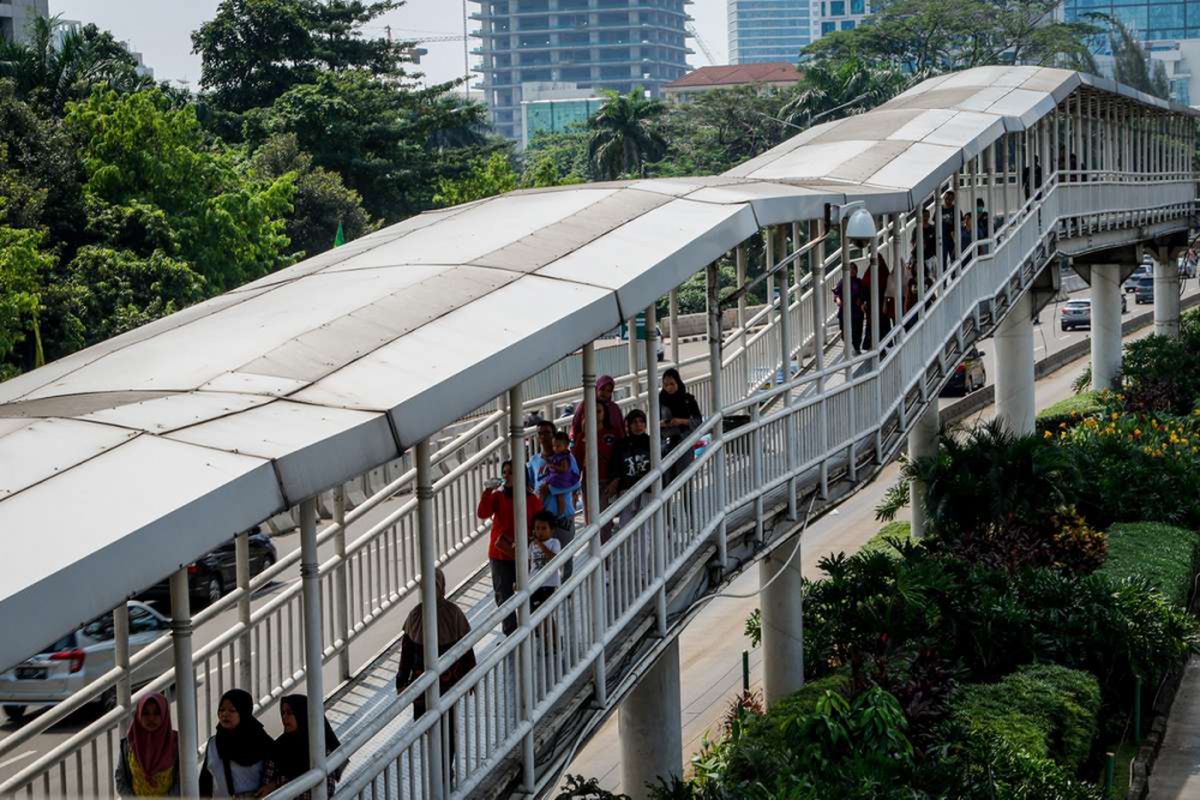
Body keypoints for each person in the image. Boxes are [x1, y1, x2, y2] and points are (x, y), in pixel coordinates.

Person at [395, 567, 476, 782]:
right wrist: (401, 682)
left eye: (435, 586)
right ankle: (438, 767)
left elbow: (466, 646)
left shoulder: (453, 613)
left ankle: (444, 769)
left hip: (446, 685)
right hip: (421, 685)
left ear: (442, 588)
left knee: (446, 729)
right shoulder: (416, 615)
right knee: (426, 727)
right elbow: (407, 651)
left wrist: (471, 674)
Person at [477, 460, 542, 634]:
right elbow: (482, 513)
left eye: (511, 472)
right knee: (504, 596)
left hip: (524, 553)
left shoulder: (532, 499)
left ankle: (533, 627)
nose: (507, 475)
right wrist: (488, 490)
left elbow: (540, 525)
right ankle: (510, 632)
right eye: (504, 472)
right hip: (500, 554)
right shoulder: (498, 496)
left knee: (529, 592)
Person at [259, 695, 341, 800]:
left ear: (303, 715)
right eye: (283, 713)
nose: (284, 717)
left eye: (290, 713)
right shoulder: (279, 747)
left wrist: (277, 783)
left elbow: (326, 790)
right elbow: (266, 785)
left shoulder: (319, 748)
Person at [570, 375, 624, 530]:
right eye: (602, 389)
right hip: (589, 475)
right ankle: (596, 549)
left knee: (606, 514)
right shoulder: (584, 407)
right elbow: (575, 430)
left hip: (608, 474)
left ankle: (604, 549)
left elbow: (620, 439)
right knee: (591, 516)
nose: (605, 393)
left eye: (609, 390)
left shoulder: (613, 411)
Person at [528, 423, 580, 582]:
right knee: (542, 559)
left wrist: (551, 489)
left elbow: (576, 482)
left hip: (563, 516)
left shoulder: (566, 457)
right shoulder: (534, 461)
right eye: (540, 433)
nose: (543, 437)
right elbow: (531, 486)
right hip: (543, 519)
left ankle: (566, 591)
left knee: (565, 557)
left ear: (554, 435)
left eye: (547, 433)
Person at [199, 689, 273, 798]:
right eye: (221, 710)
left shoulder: (260, 741)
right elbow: (205, 783)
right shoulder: (213, 744)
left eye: (232, 710)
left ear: (243, 713)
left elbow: (280, 772)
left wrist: (272, 786)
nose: (225, 714)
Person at [115, 692, 179, 798]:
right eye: (146, 713)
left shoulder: (175, 744)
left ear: (164, 715)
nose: (151, 718)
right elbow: (120, 778)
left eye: (156, 713)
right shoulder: (129, 744)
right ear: (139, 715)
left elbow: (182, 781)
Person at [607, 409, 652, 533]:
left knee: (645, 528)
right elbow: (616, 467)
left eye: (642, 422)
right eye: (634, 422)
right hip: (627, 490)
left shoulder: (651, 442)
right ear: (628, 425)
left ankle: (644, 553)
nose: (638, 425)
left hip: (647, 490)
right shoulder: (621, 445)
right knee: (625, 527)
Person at [659, 368, 702, 483]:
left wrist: (681, 421)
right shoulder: (660, 400)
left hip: (684, 442)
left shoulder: (688, 400)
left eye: (672, 384)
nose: (669, 388)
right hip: (666, 444)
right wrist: (662, 423)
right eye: (666, 384)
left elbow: (698, 421)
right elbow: (653, 424)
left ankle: (687, 500)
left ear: (678, 382)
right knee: (665, 481)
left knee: (684, 479)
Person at [528, 511, 561, 610]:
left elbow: (554, 558)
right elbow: (529, 563)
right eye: (537, 528)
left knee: (546, 614)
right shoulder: (532, 545)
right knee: (535, 613)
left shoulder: (554, 543)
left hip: (549, 584)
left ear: (551, 530)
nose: (540, 532)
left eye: (544, 528)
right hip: (535, 584)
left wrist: (540, 545)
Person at [832, 263, 865, 354]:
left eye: (854, 269)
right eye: (850, 269)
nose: (852, 271)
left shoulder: (859, 282)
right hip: (845, 311)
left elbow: (864, 293)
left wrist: (861, 300)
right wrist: (837, 299)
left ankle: (857, 348)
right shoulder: (843, 281)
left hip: (856, 312)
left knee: (857, 331)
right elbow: (836, 292)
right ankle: (847, 345)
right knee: (844, 332)